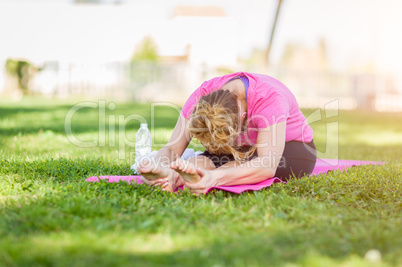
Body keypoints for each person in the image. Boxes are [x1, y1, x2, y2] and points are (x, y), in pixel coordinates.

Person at [137, 72, 317, 194]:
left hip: (292, 149)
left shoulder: (269, 98)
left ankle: (207, 177)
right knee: (206, 160)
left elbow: (266, 165)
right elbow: (172, 149)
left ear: (243, 118)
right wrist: (162, 165)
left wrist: (214, 178)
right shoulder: (203, 94)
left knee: (241, 164)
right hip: (238, 149)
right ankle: (172, 177)